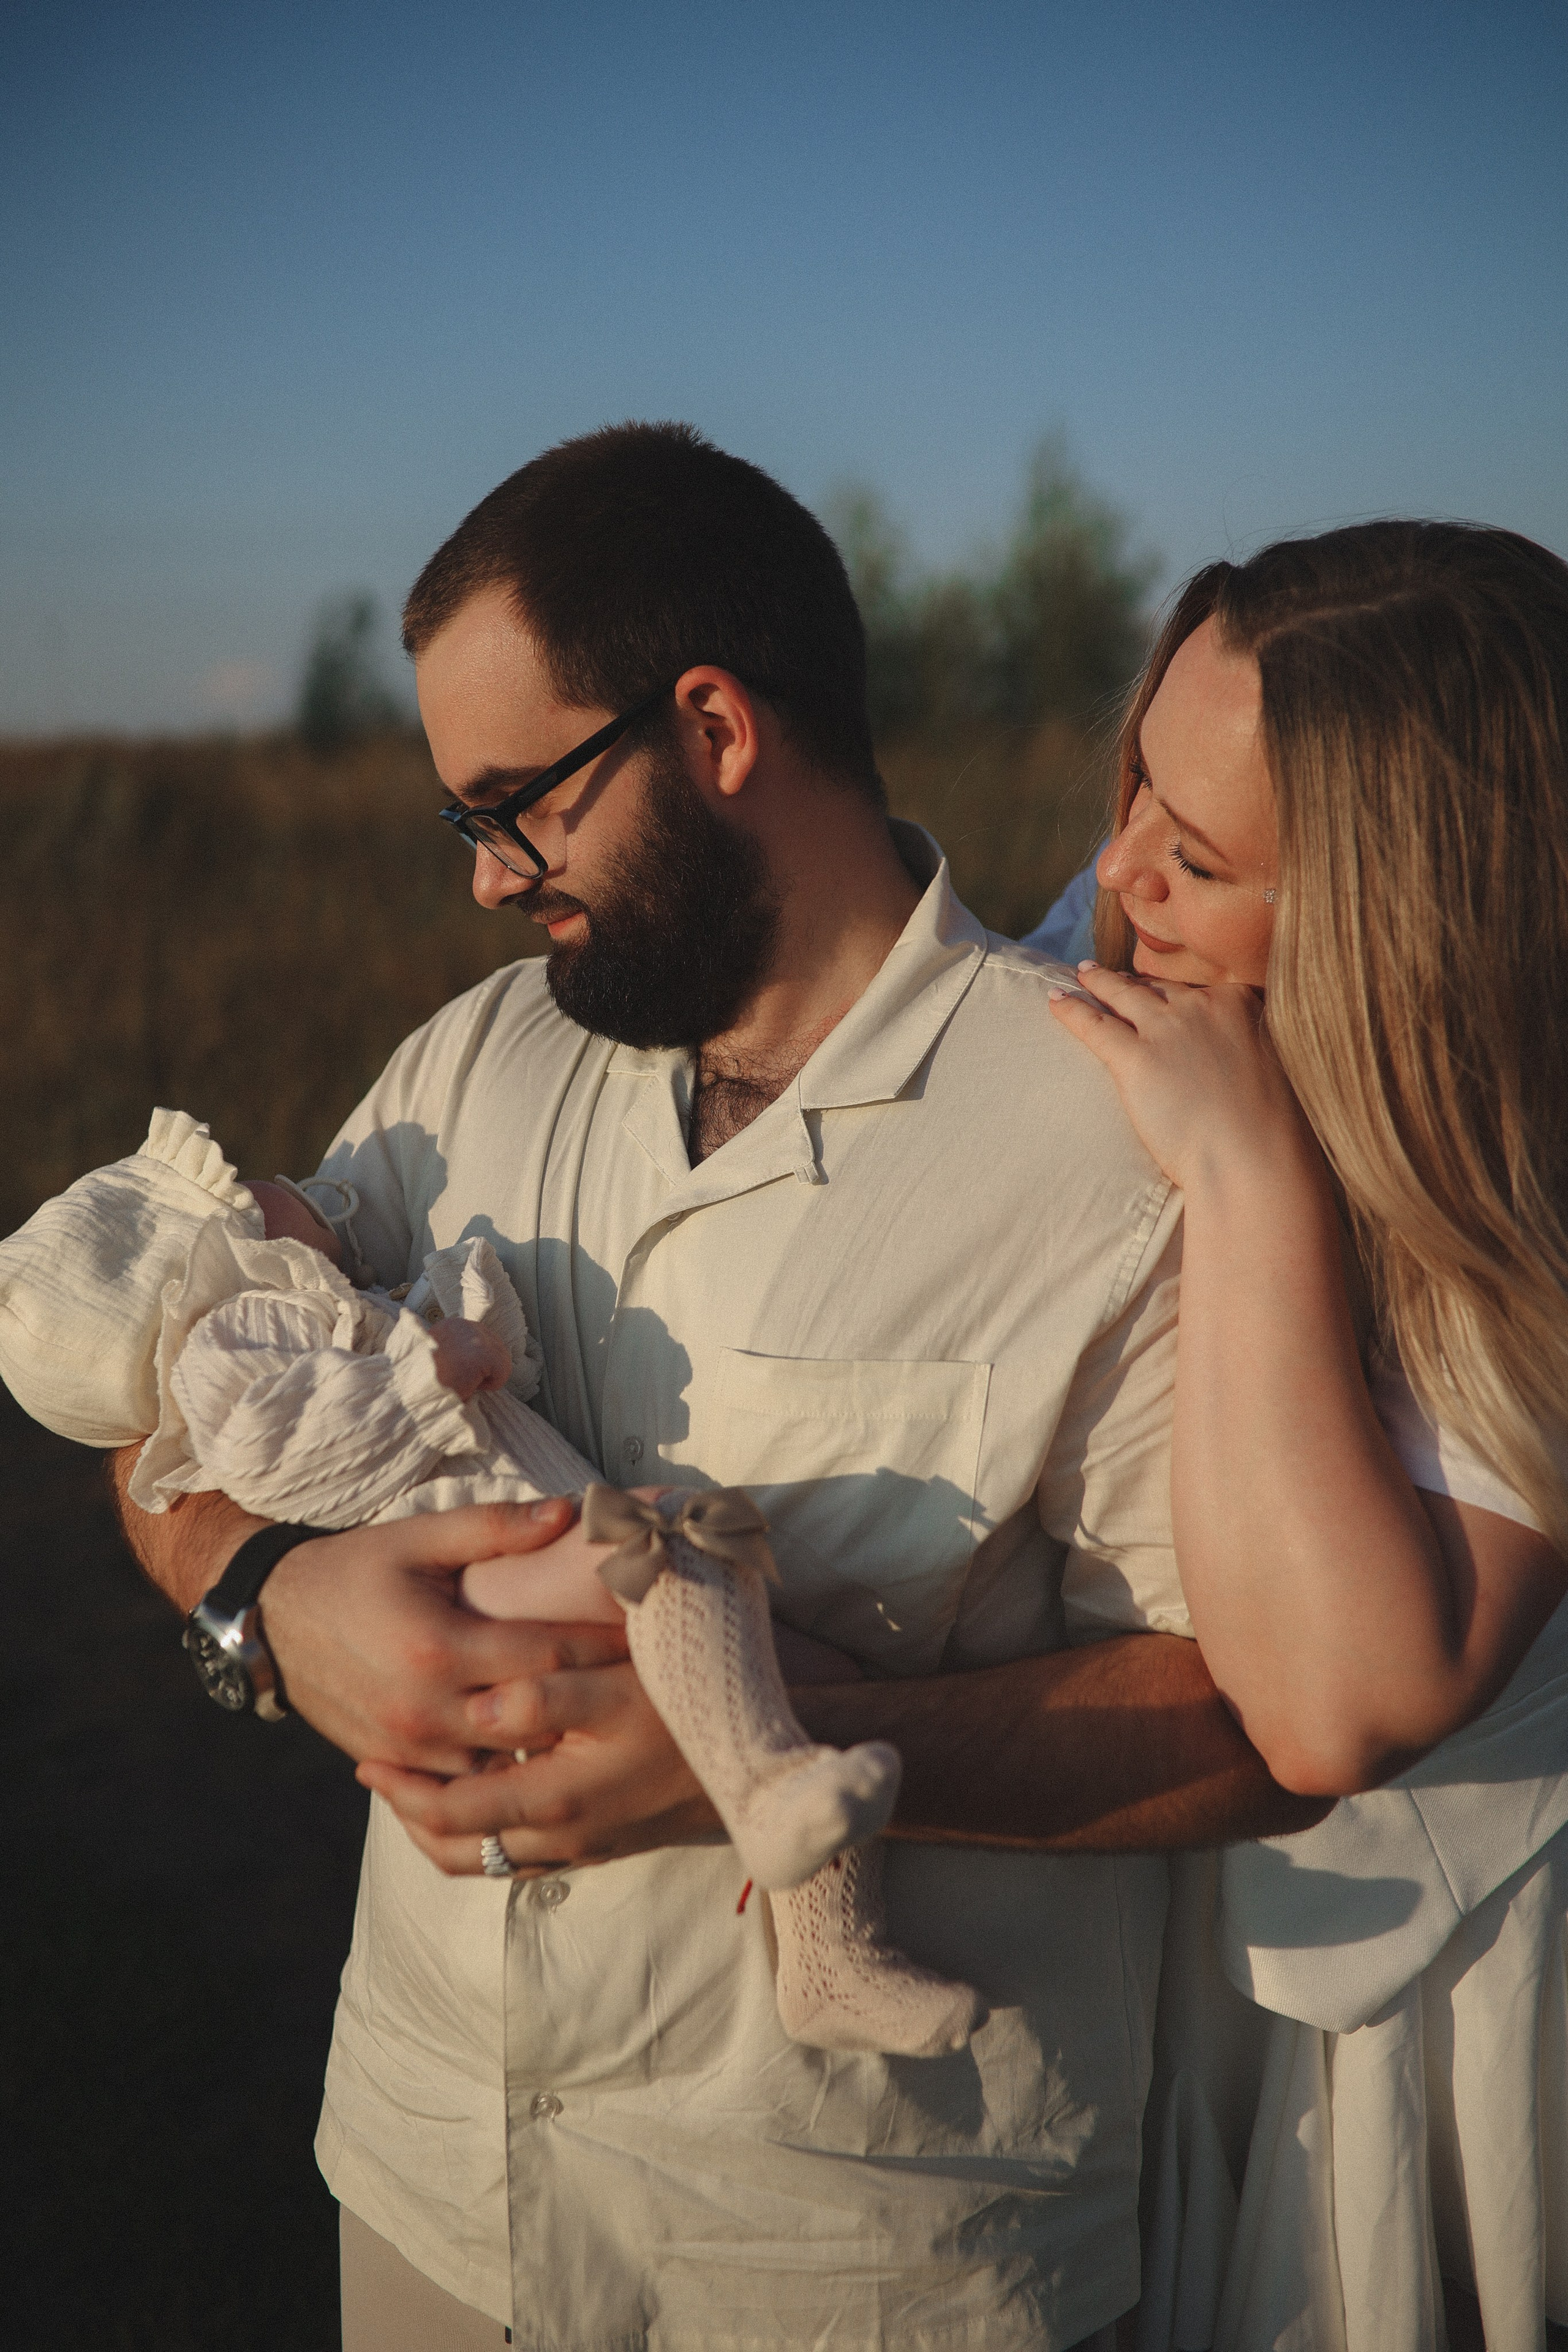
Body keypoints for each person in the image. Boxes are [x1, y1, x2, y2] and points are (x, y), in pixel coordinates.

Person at [101, 423, 1323, 2352]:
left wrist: (781, 1747)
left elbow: (1267, 1718)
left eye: (519, 805)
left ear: (716, 731)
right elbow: (175, 1368)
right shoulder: (472, 1056)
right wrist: (255, 1596)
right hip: (432, 2177)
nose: (492, 882)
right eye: (463, 822)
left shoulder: (1114, 1147)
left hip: (854, 2257)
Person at [1046, 519, 1568, 2349]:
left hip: (1429, 2039)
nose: (1117, 869)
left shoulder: (1526, 1180)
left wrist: (1250, 1171)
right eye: (1132, 788)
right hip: (1189, 1964)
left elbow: (1345, 1697)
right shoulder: (1150, 950)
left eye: (1195, 856)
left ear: (1389, 929)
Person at [0, 1104, 979, 2057]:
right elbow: (280, 1450)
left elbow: (440, 1382)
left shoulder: (306, 1309)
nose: (282, 1186)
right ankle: (767, 1802)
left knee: (805, 1674)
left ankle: (830, 1958)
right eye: (248, 1196)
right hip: (469, 1573)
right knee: (677, 1546)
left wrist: (459, 1318)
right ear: (203, 1254)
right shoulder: (238, 1332)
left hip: (511, 1545)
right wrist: (430, 1374)